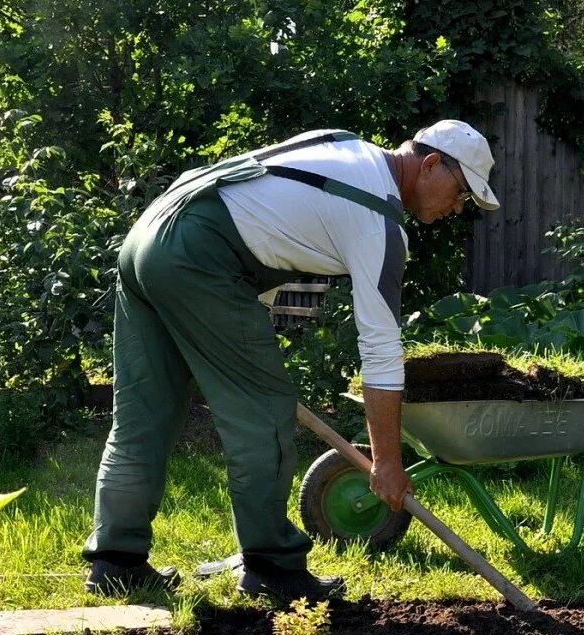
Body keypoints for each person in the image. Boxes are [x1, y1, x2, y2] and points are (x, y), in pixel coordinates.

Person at [82, 119, 500, 601]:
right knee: (264, 412)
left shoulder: (345, 147)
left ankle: (116, 562)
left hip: (151, 234)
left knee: (144, 414)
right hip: (199, 255)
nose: (456, 208)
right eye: (461, 193)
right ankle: (272, 570)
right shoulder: (378, 220)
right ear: (430, 164)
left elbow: (267, 218)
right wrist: (386, 461)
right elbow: (381, 351)